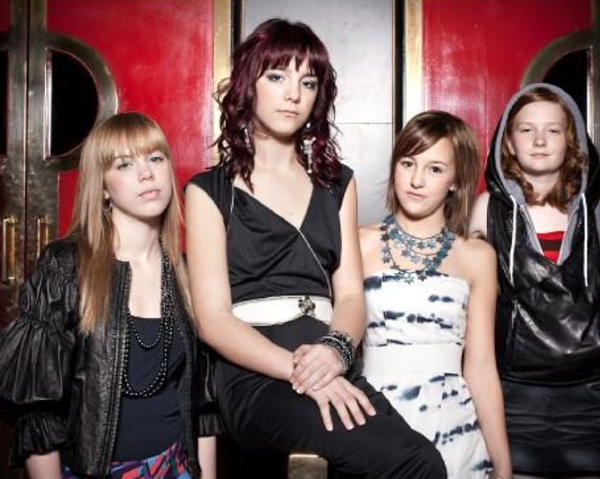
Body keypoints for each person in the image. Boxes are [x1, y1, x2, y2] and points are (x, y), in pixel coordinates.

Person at [185, 18, 446, 479]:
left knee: (424, 461)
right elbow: (213, 320)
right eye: (277, 76)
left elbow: (350, 297)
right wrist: (299, 371)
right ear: (248, 84)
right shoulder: (209, 191)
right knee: (414, 463)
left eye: (307, 82)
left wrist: (336, 351)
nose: (293, 94)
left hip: (329, 357)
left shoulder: (337, 183)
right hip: (257, 374)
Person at [0, 113, 216, 479]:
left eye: (155, 158)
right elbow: (37, 413)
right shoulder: (65, 266)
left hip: (174, 466)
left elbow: (203, 403)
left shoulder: (186, 272)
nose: (146, 173)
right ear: (102, 187)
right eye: (125, 164)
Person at [469, 83, 600, 479]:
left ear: (571, 141)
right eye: (527, 129)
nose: (540, 140)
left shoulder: (596, 212)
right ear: (508, 143)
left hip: (588, 398)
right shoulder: (488, 209)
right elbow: (469, 305)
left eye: (553, 129)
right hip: (514, 394)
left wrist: (595, 347)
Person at [360, 111, 512, 479]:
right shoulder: (358, 243)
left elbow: (481, 366)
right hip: (374, 422)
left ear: (456, 180)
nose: (416, 180)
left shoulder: (477, 257)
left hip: (455, 430)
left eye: (435, 169)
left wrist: (503, 462)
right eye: (408, 163)